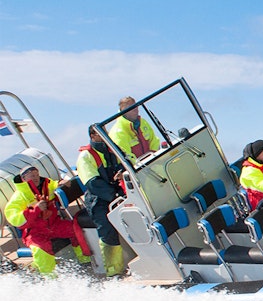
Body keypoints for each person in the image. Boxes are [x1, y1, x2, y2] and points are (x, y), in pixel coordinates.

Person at [4, 164, 92, 275]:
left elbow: (55, 184)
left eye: (36, 174)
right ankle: (50, 279)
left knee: (76, 230)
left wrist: (61, 183)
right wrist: (36, 210)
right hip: (35, 232)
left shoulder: (47, 184)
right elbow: (15, 219)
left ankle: (85, 261)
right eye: (32, 176)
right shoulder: (19, 197)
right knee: (41, 250)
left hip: (54, 224)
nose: (35, 178)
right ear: (24, 179)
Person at [76, 126, 127, 276]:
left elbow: (127, 164)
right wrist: (114, 196)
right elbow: (92, 183)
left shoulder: (113, 150)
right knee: (108, 231)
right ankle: (114, 272)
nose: (106, 134)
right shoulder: (86, 156)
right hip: (98, 200)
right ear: (93, 136)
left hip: (118, 192)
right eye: (101, 132)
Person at [108, 96, 160, 164]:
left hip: (154, 163)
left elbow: (154, 140)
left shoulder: (143, 122)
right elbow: (127, 157)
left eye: (136, 106)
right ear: (124, 111)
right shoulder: (117, 132)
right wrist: (143, 165)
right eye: (132, 108)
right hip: (138, 170)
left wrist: (154, 155)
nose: (136, 110)